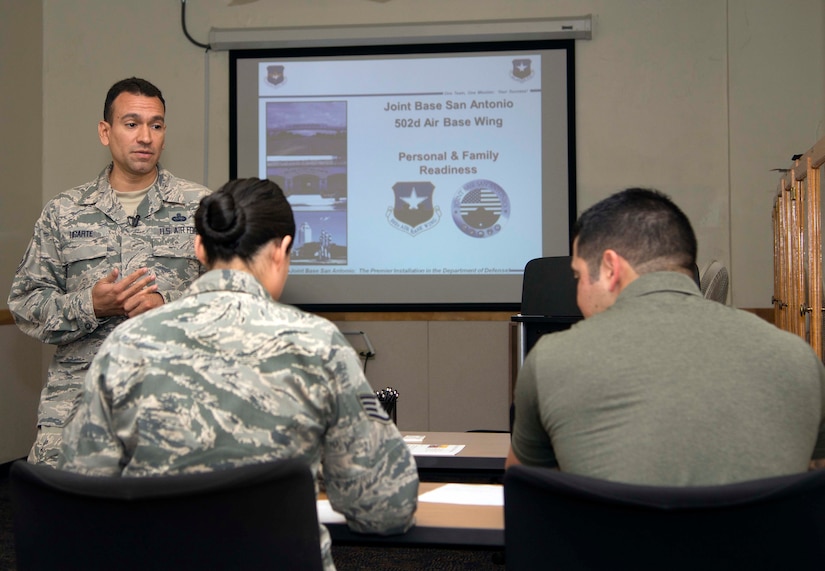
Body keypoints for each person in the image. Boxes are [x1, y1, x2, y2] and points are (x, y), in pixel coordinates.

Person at [58, 177, 419, 570]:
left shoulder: (126, 345)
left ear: (199, 248)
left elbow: (81, 497)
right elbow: (387, 506)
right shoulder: (318, 345)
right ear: (282, 250)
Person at [507, 187, 825, 486]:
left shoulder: (551, 360)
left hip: (604, 544)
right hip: (762, 545)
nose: (578, 293)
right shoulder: (798, 358)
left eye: (578, 276)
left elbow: (525, 492)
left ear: (609, 268)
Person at [8, 77, 211, 466]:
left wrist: (166, 305)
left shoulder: (200, 206)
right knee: (70, 522)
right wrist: (91, 306)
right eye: (131, 123)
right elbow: (25, 304)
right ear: (106, 131)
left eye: (156, 125)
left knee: (173, 524)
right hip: (78, 410)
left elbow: (230, 298)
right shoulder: (64, 212)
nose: (145, 137)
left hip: (175, 405)